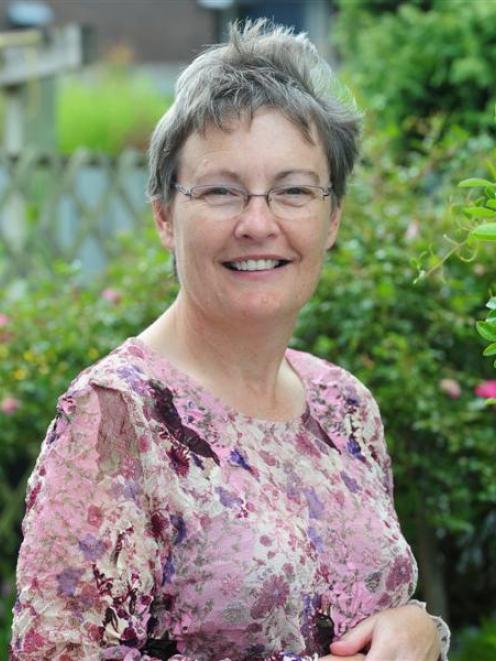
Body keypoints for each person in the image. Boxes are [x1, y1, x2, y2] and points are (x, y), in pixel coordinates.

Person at [10, 19, 450, 661]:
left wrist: (420, 630)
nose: (258, 223)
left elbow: (376, 612)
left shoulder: (343, 406)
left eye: (294, 191)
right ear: (165, 216)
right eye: (221, 192)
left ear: (332, 219)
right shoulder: (118, 418)